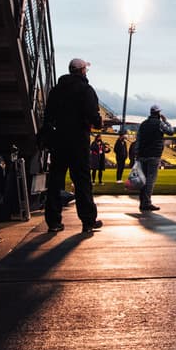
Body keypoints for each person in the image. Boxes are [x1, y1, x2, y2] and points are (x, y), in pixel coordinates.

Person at [42, 58, 104, 234]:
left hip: (58, 140)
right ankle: (88, 221)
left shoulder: (56, 90)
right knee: (82, 181)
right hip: (78, 140)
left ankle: (53, 222)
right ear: (82, 71)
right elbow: (93, 115)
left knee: (55, 181)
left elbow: (48, 115)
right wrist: (98, 122)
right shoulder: (86, 90)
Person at [134, 104, 176, 212]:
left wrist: (137, 154)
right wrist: (166, 121)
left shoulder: (143, 124)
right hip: (154, 155)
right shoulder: (159, 123)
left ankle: (142, 202)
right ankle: (147, 203)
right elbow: (171, 131)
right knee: (150, 180)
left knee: (143, 179)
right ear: (158, 113)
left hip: (142, 155)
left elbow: (138, 139)